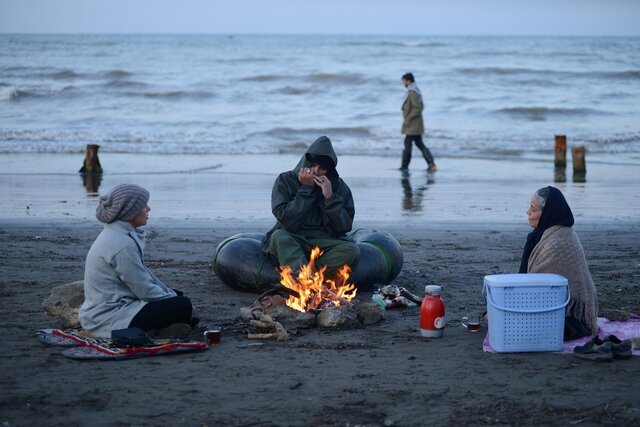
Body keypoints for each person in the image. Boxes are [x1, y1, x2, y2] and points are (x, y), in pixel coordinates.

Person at [79, 184, 198, 339]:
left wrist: (172, 295)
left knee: (178, 296)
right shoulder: (121, 244)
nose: (148, 209)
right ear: (130, 212)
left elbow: (145, 278)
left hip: (118, 304)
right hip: (107, 317)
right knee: (182, 305)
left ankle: (163, 328)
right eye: (143, 206)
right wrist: (181, 304)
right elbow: (144, 289)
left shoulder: (119, 234)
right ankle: (156, 331)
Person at [262, 136, 360, 277]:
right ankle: (306, 280)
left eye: (322, 168)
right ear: (305, 163)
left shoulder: (339, 187)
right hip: (292, 236)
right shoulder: (285, 180)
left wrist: (329, 197)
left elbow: (343, 227)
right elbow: (286, 220)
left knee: (352, 251)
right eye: (312, 165)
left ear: (329, 171)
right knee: (279, 237)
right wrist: (306, 189)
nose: (315, 171)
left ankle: (308, 277)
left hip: (324, 240)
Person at [520, 186, 598, 338]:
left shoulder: (559, 241)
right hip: (549, 304)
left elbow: (532, 284)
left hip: (568, 312)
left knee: (529, 325)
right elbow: (523, 278)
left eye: (533, 209)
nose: (528, 212)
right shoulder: (539, 236)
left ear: (547, 213)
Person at [400, 72, 437, 172]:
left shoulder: (412, 92)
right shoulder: (414, 90)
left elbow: (418, 108)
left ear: (408, 80)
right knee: (419, 144)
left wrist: (408, 119)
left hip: (413, 125)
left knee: (408, 144)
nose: (403, 83)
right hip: (415, 124)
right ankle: (431, 164)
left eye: (404, 81)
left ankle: (404, 166)